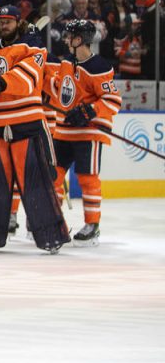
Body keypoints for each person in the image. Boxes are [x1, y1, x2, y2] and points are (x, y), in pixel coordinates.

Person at [0, 6, 70, 252]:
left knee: (36, 182)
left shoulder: (33, 46)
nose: (3, 25)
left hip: (27, 124)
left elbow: (27, 79)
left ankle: (51, 237)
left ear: (18, 22)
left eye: (8, 21)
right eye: (0, 21)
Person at [51, 19, 122, 247]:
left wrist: (89, 110)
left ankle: (92, 225)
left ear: (79, 39)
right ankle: (54, 222)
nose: (65, 40)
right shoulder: (66, 62)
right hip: (64, 130)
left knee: (87, 178)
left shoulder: (99, 66)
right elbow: (59, 88)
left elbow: (113, 100)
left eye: (69, 36)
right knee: (53, 176)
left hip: (89, 132)